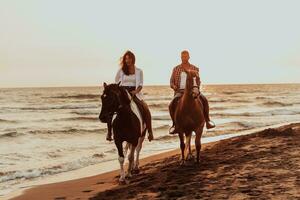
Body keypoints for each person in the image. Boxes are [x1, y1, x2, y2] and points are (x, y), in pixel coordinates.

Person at [106, 50, 154, 141]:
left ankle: (150, 132)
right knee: (111, 108)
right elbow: (117, 82)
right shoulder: (120, 71)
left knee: (145, 107)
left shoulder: (139, 71)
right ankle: (109, 132)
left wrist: (136, 91)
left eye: (130, 58)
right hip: (123, 93)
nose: (128, 60)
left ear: (133, 59)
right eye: (126, 59)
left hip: (134, 92)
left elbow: (140, 84)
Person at [169, 50, 215, 134]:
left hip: (193, 90)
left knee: (204, 100)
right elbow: (171, 81)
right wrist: (174, 87)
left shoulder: (195, 68)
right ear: (181, 57)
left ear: (189, 57)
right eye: (183, 56)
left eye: (186, 56)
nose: (184, 58)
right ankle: (174, 125)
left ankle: (208, 120)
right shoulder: (176, 69)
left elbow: (198, 80)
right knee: (171, 104)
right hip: (180, 91)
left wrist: (196, 88)